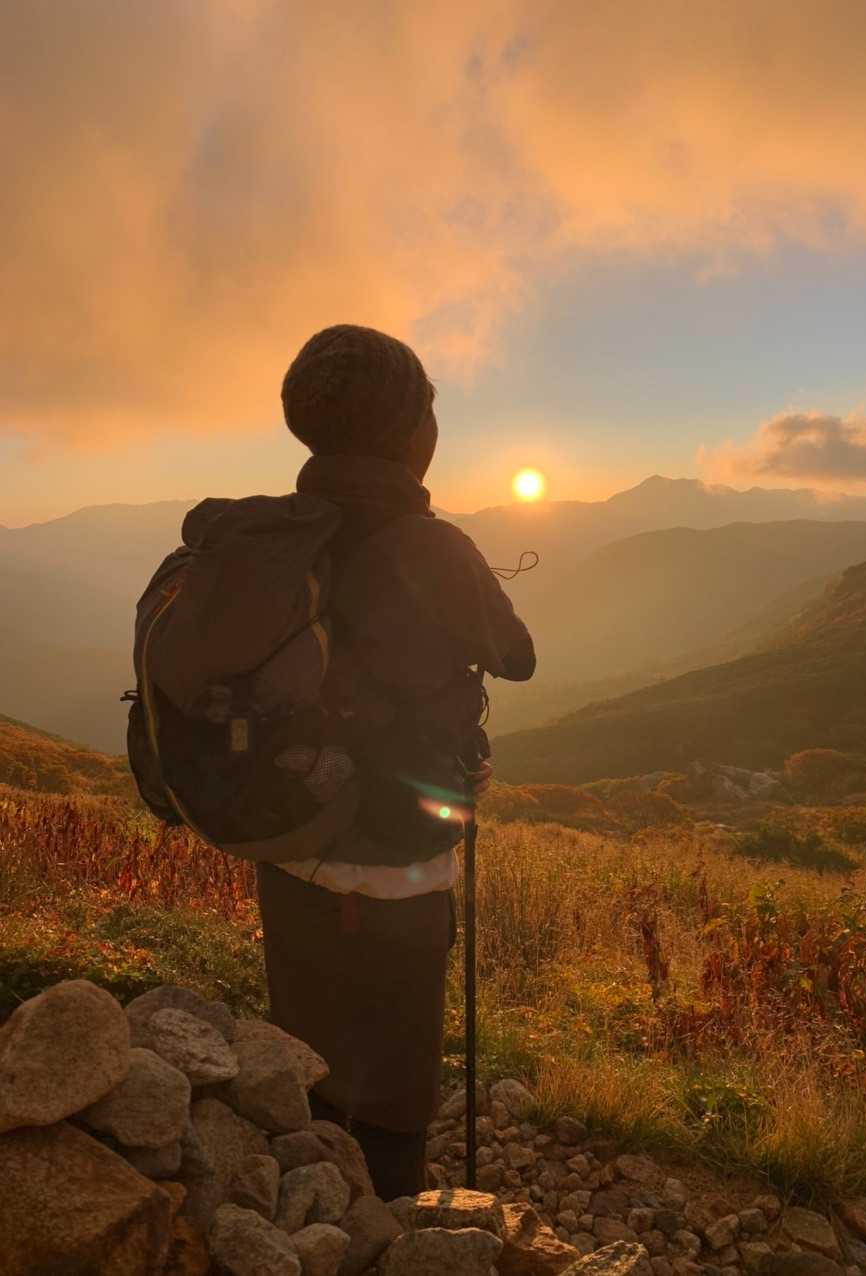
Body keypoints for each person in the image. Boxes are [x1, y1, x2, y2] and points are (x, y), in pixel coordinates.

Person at [255, 324, 535, 1202]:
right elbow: (517, 655)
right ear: (410, 433)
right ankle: (388, 1218)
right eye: (428, 410)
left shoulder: (273, 537)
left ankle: (306, 1209)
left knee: (307, 1051)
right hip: (403, 863)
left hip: (288, 842)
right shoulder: (436, 548)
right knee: (398, 1083)